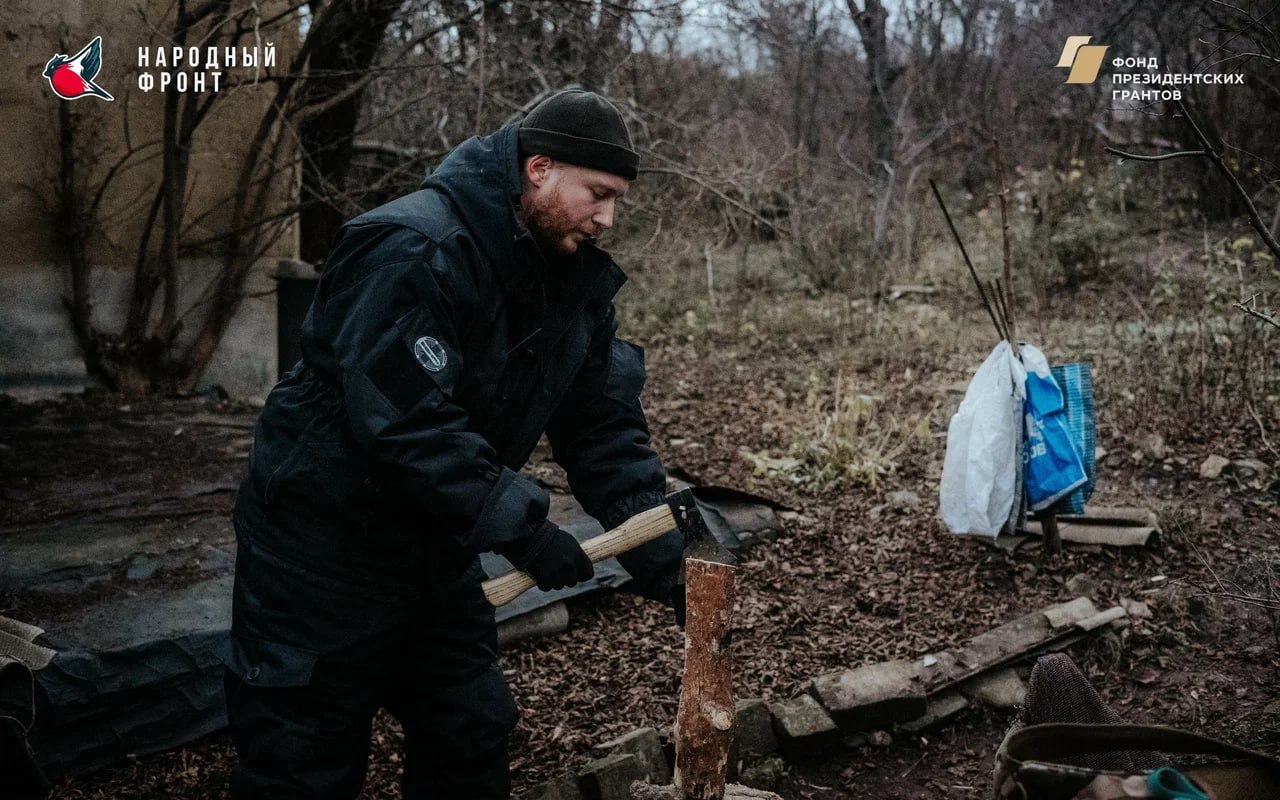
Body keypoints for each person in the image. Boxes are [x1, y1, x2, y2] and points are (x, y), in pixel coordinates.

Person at [221, 89, 685, 799]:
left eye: (615, 199)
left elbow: (600, 427)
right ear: (539, 168)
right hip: (319, 556)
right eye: (597, 194)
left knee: (469, 733)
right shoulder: (411, 247)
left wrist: (664, 558)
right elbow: (404, 421)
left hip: (436, 552)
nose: (608, 218)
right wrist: (526, 531)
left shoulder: (569, 284)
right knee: (301, 764)